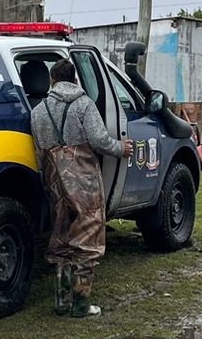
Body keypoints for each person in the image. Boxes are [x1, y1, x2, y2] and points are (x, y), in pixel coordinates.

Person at [29, 58, 131, 318]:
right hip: (83, 179)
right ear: (75, 79)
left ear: (52, 80)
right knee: (87, 236)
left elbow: (39, 151)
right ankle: (81, 305)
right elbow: (99, 140)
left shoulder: (38, 111)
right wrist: (121, 148)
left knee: (61, 236)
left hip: (54, 180)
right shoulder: (84, 104)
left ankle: (61, 302)